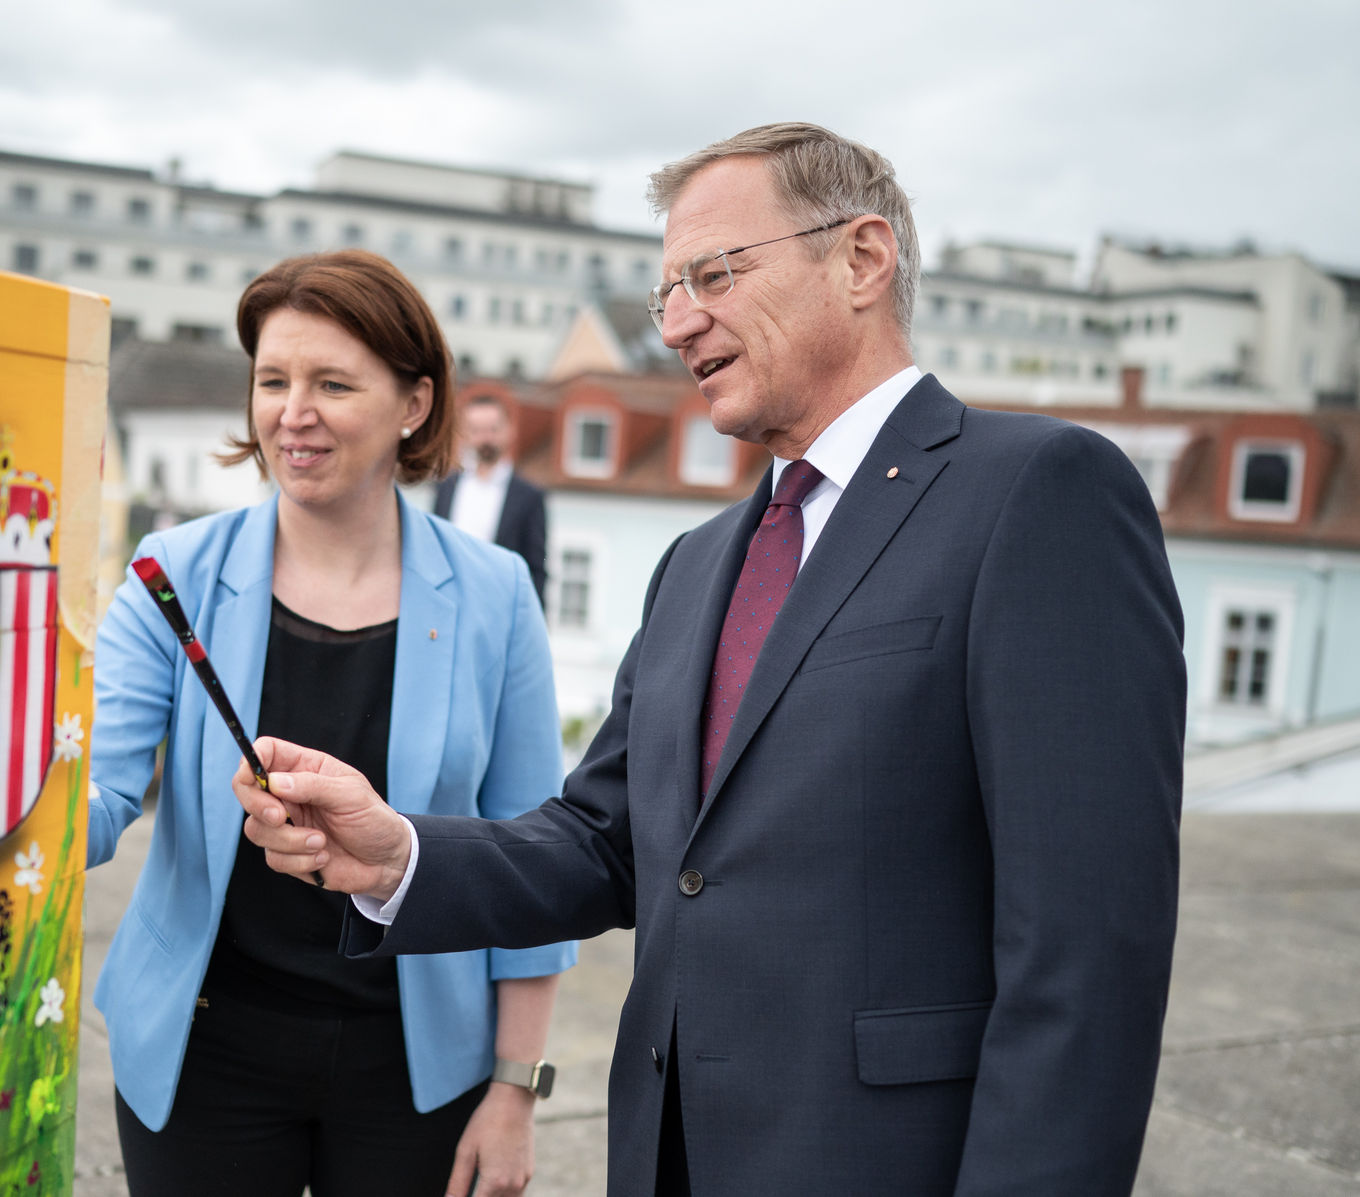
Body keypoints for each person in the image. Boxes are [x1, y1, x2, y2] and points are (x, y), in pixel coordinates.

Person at [235, 124, 1187, 1196]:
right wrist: (398, 855)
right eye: (665, 295)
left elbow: (1086, 956)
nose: (680, 322)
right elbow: (606, 843)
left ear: (862, 260)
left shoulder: (1040, 493)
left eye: (713, 275)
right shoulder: (696, 564)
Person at [87, 249, 575, 1197]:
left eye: (331, 383)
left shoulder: (494, 593)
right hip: (202, 1050)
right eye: (273, 380)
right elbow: (98, 795)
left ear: (414, 404)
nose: (290, 412)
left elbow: (534, 860)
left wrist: (515, 1091)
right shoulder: (170, 571)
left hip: (419, 1065)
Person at [432, 393, 549, 606]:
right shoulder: (445, 488)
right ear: (465, 434)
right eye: (476, 430)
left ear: (509, 431)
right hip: (449, 605)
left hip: (501, 608)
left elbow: (537, 568)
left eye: (493, 429)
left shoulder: (529, 496)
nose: (486, 438)